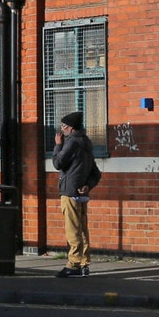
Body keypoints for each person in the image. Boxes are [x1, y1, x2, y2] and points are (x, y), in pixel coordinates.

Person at [51, 112, 99, 278]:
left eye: (64, 126)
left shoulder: (71, 142)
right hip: (82, 193)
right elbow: (96, 173)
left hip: (70, 192)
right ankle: (84, 264)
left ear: (71, 128)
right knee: (82, 230)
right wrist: (88, 186)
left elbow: (58, 163)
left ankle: (74, 264)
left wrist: (58, 145)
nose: (62, 129)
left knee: (72, 230)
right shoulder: (86, 142)